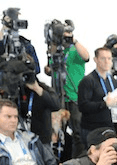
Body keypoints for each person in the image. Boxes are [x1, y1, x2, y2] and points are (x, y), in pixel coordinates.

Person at [47, 23, 89, 156]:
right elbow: (48, 69)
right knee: (58, 131)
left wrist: (73, 40)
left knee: (78, 132)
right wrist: (55, 40)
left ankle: (80, 158)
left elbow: (86, 56)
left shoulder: (75, 50)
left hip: (75, 96)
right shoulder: (57, 51)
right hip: (59, 97)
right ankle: (61, 160)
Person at [78, 47, 117, 142]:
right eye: (103, 58)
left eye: (109, 58)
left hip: (109, 127)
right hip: (92, 129)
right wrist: (104, 104)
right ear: (95, 60)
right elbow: (83, 106)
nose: (107, 61)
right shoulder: (88, 81)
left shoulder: (112, 81)